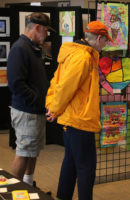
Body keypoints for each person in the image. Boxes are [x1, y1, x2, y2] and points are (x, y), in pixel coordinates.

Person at [45, 21, 113, 200]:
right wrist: (54, 109)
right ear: (99, 38)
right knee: (86, 168)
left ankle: (63, 196)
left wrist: (53, 106)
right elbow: (65, 87)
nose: (105, 45)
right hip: (79, 120)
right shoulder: (82, 58)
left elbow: (56, 81)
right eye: (105, 41)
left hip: (72, 118)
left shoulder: (76, 53)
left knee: (71, 163)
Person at [7, 12, 54, 186]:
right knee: (24, 152)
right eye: (46, 30)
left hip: (36, 110)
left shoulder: (33, 48)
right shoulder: (20, 49)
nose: (47, 35)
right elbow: (16, 84)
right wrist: (37, 99)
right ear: (37, 28)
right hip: (27, 112)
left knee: (32, 151)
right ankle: (14, 190)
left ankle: (27, 184)